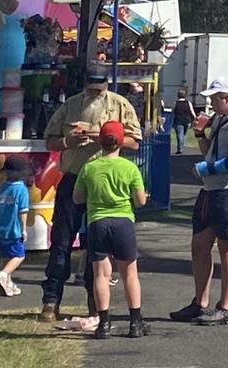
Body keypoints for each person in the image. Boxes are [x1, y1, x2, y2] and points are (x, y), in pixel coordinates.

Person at [39, 64, 142, 326]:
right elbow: (49, 139)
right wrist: (66, 142)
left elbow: (135, 142)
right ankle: (51, 300)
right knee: (61, 242)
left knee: (96, 247)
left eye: (100, 88)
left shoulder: (120, 105)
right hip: (73, 177)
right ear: (84, 85)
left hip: (102, 182)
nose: (95, 93)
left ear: (107, 85)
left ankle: (95, 303)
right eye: (91, 88)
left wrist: (106, 138)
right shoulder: (71, 105)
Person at [169, 77, 228, 326]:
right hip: (211, 189)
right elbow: (209, 152)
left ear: (226, 97)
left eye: (215, 99)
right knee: (199, 244)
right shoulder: (219, 119)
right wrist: (199, 132)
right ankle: (200, 302)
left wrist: (206, 169)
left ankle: (225, 306)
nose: (211, 103)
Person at [74, 120, 149, 339]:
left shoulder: (89, 167)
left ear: (100, 141)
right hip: (123, 221)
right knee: (130, 273)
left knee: (100, 274)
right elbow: (140, 200)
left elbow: (77, 198)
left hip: (97, 222)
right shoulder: (129, 167)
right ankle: (135, 323)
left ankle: (103, 323)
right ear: (121, 142)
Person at [0, 156, 31, 298]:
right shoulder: (21, 190)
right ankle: (3, 275)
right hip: (14, 229)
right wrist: (24, 229)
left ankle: (7, 284)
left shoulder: (1, 188)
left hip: (0, 228)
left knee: (5, 256)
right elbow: (23, 211)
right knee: (19, 255)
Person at [172, 89, 196, 155]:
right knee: (183, 135)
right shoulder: (188, 103)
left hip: (178, 121)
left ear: (178, 95)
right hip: (187, 121)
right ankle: (181, 147)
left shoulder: (176, 102)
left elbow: (172, 111)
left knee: (180, 135)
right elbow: (192, 111)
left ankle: (180, 148)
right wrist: (195, 118)